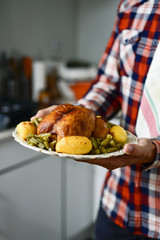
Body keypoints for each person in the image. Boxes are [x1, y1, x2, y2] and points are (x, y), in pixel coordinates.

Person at [32, 0, 160, 239]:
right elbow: (108, 83)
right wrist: (76, 113)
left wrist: (156, 150)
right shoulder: (132, 5)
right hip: (121, 203)